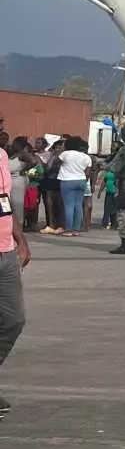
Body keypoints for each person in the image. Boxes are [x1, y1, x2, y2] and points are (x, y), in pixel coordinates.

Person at [0, 135, 29, 420]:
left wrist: (19, 237)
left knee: (13, 320)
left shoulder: (0, 158)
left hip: (5, 251)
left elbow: (3, 200)